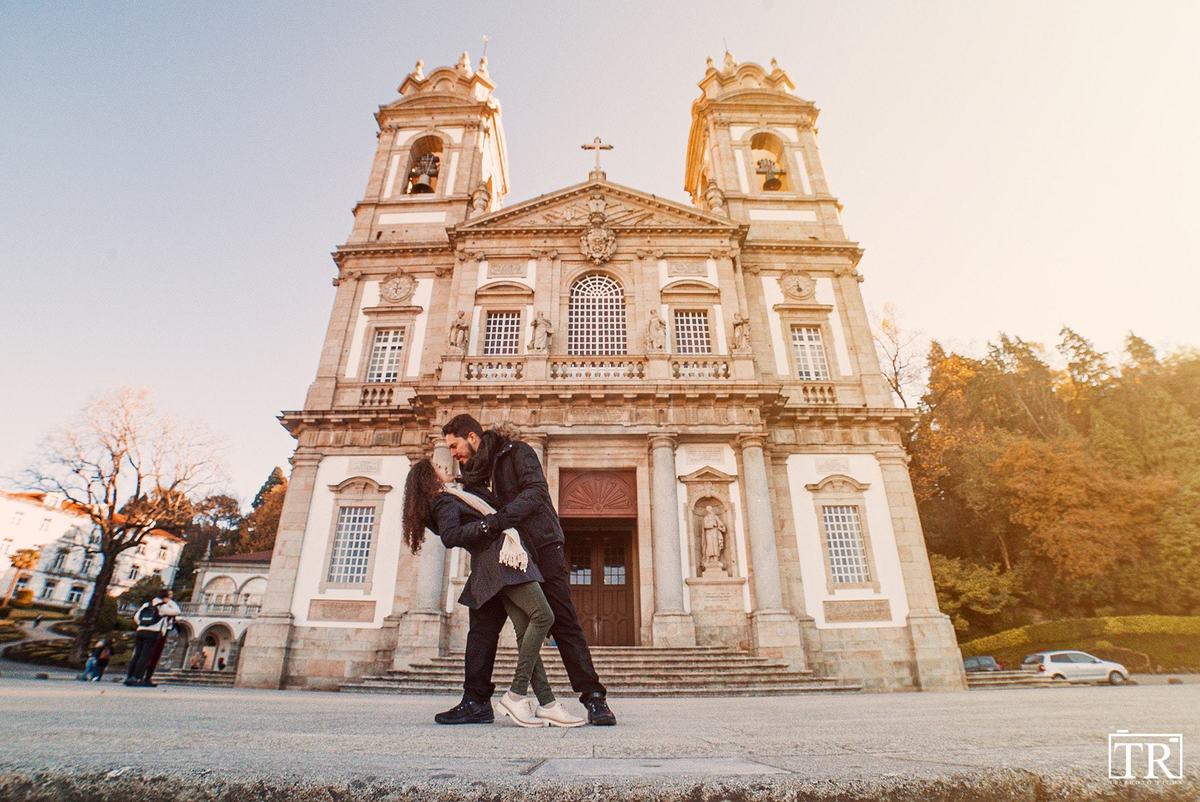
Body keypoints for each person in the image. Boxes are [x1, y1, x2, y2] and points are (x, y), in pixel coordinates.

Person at [441, 413, 616, 726]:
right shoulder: (471, 476)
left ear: (471, 437)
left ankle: (594, 698)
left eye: (454, 446)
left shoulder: (517, 452)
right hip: (500, 557)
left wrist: (497, 521)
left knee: (563, 621)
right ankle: (475, 701)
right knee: (482, 625)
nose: (452, 453)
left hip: (541, 548)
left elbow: (535, 493)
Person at [403, 458, 585, 728]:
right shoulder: (443, 501)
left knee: (526, 630)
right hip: (502, 561)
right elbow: (451, 536)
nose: (443, 464)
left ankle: (547, 704)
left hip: (502, 560)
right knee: (543, 616)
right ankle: (516, 693)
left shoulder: (453, 495)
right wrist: (489, 525)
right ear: (428, 476)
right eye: (437, 465)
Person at [124, 589, 180, 687]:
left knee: (137, 654)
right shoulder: (162, 606)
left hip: (140, 631)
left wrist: (144, 625)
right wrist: (169, 601)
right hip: (153, 633)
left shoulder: (147, 604)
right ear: (165, 597)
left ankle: (129, 677)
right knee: (145, 656)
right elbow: (177, 611)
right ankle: (138, 678)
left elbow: (137, 617)